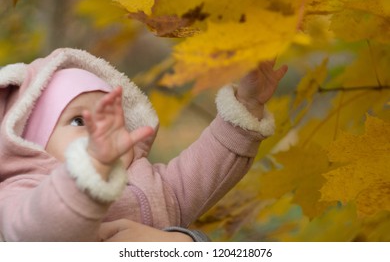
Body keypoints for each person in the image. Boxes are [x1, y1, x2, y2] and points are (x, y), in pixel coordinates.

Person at [0, 48, 287, 241]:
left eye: (112, 120)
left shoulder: (152, 183)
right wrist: (85, 174)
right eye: (78, 121)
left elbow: (206, 166)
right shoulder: (22, 188)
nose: (102, 131)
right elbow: (36, 232)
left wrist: (246, 106)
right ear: (34, 141)